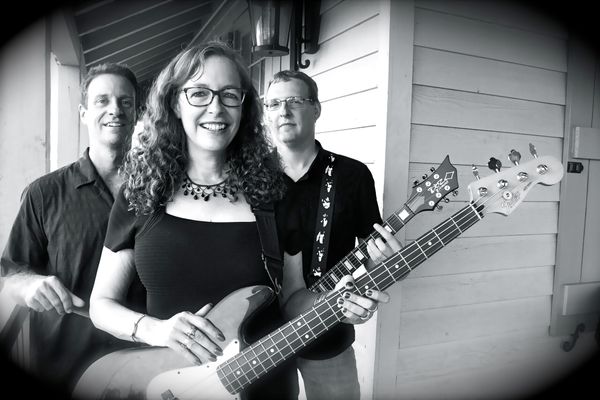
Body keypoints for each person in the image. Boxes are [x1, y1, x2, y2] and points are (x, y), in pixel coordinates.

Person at [86, 41, 388, 400]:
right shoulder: (141, 193)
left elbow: (292, 299)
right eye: (199, 93)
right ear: (174, 103)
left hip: (267, 388)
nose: (216, 107)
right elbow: (101, 305)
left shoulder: (274, 193)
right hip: (172, 389)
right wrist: (157, 330)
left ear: (244, 108)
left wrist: (338, 305)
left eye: (230, 95)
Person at [0, 62, 144, 395]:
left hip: (147, 366)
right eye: (102, 101)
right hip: (67, 367)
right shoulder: (43, 193)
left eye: (125, 102)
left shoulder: (159, 190)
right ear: (83, 113)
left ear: (136, 113)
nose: (115, 110)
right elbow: (10, 273)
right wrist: (29, 285)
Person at [264, 70, 402, 400]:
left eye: (295, 101)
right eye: (274, 104)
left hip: (328, 333)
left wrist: (382, 270)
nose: (284, 111)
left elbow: (373, 254)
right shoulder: (251, 176)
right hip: (259, 338)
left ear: (316, 109)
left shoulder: (352, 175)